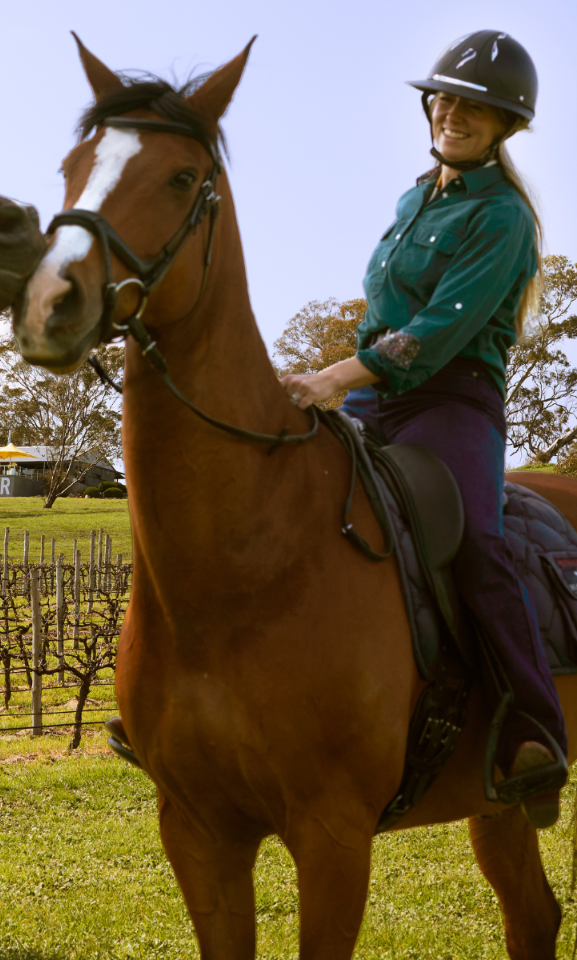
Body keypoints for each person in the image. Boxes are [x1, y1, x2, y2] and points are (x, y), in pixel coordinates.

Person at [280, 30, 566, 828]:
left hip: (453, 396)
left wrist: (334, 377)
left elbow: (435, 331)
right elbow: (380, 311)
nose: (456, 112)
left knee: (476, 538)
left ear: (507, 125)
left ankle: (533, 727)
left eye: (479, 107)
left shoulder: (504, 216)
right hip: (379, 394)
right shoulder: (415, 198)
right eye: (445, 97)